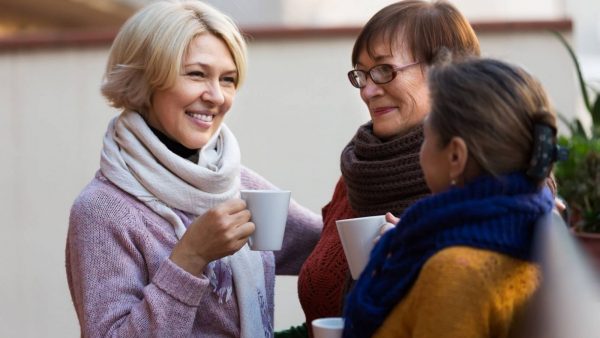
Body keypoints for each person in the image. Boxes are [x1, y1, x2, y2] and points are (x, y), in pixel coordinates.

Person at [65, 1, 321, 337]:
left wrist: (396, 235)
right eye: (196, 74)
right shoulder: (102, 210)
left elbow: (327, 248)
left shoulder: (232, 181)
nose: (216, 96)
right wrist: (190, 257)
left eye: (228, 79)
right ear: (146, 79)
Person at [297, 1, 480, 334]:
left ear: (445, 72)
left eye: (384, 70)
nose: (367, 91)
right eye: (361, 74)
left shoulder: (486, 185)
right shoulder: (359, 172)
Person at [343, 56, 559, 338]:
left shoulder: (454, 272)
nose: (420, 152)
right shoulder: (530, 231)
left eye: (426, 138)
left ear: (455, 155)